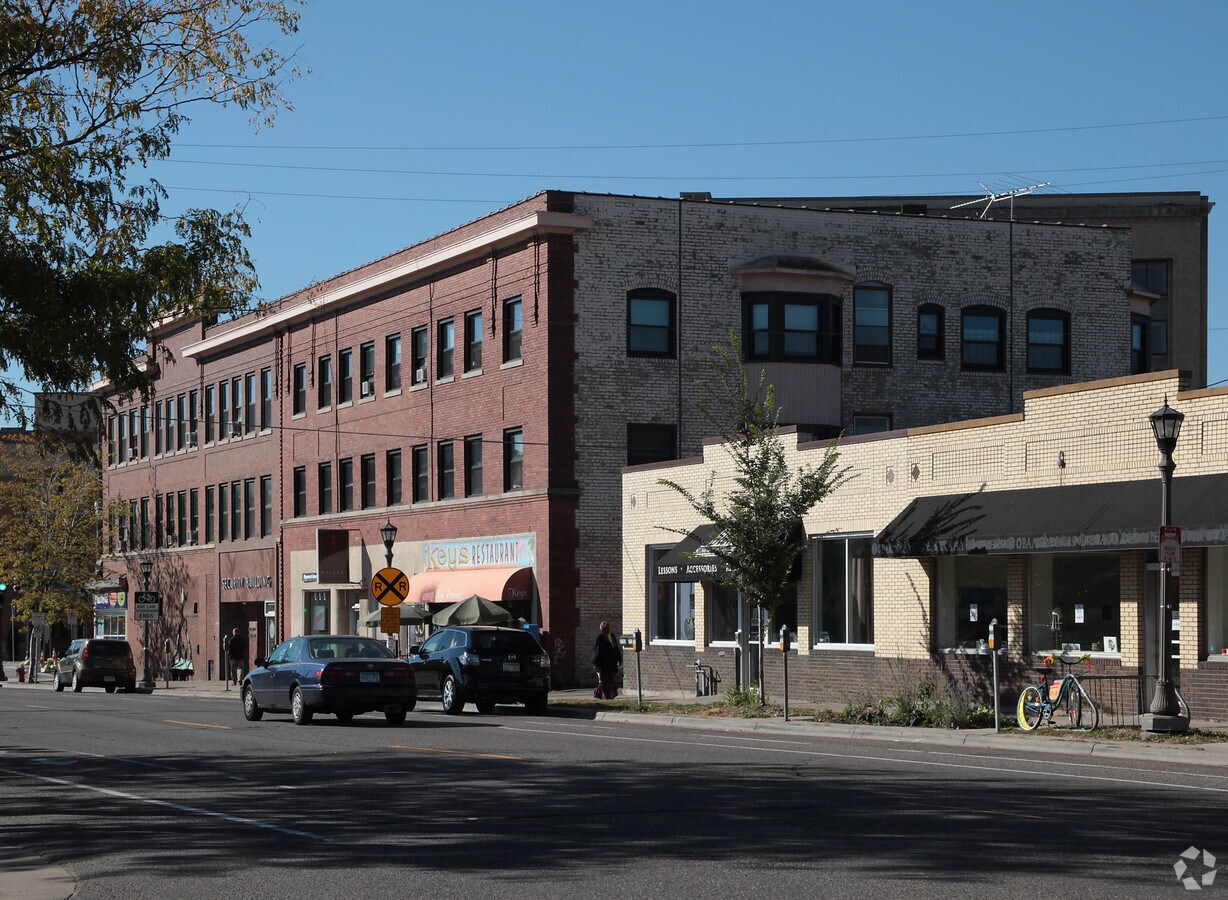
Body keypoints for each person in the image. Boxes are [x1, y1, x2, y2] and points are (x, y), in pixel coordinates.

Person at [591, 620, 622, 700]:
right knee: (605, 682)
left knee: (609, 682)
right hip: (604, 666)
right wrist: (596, 663)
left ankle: (608, 696)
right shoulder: (601, 638)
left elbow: (616, 649)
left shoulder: (612, 636)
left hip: (610, 665)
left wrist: (619, 659)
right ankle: (605, 696)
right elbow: (597, 652)